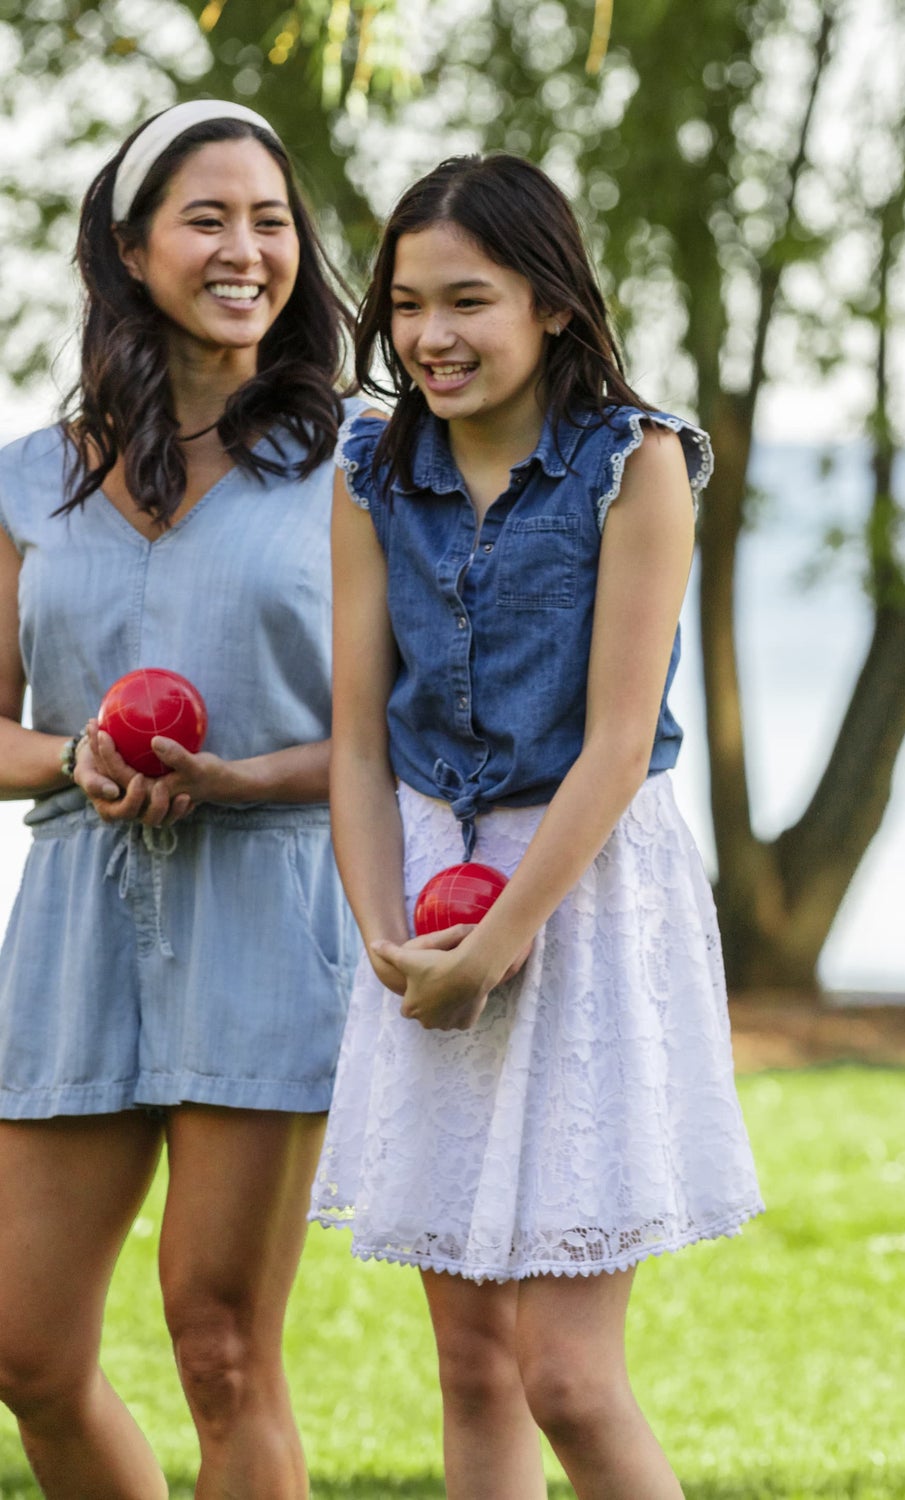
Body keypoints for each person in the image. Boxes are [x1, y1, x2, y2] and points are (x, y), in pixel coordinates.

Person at [310, 152, 763, 1500]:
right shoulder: (364, 468)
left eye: (467, 302)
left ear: (553, 304)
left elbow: (620, 745)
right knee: (471, 1368)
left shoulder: (638, 466)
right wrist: (393, 939)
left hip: (581, 887)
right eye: (405, 306)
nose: (429, 339)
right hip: (421, 878)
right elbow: (351, 734)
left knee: (565, 1371)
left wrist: (500, 939)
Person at [0, 101, 356, 1499]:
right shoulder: (35, 475)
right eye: (208, 218)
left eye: (271, 222)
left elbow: (409, 738)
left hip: (271, 911)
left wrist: (240, 776)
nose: (245, 250)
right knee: (25, 1349)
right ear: (130, 249)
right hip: (79, 923)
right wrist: (76, 753)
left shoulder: (365, 466)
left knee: (219, 1349)